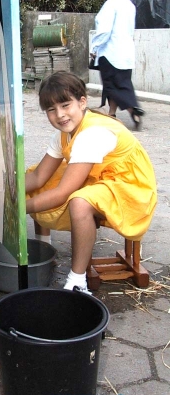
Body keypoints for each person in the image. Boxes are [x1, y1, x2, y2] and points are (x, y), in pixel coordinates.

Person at [25, 71, 157, 294]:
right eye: (51, 109)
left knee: (79, 200)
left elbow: (63, 193)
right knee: (34, 178)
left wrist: (12, 208)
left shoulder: (92, 133)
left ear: (82, 102)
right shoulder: (63, 134)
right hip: (101, 175)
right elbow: (38, 177)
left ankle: (77, 280)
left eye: (66, 105)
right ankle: (44, 249)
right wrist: (4, 191)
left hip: (130, 187)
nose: (60, 115)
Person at [91, 0, 145, 128]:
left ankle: (133, 109)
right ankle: (112, 113)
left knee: (111, 85)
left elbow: (104, 30)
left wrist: (95, 47)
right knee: (123, 83)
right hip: (126, 53)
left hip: (110, 51)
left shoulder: (110, 5)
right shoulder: (130, 5)